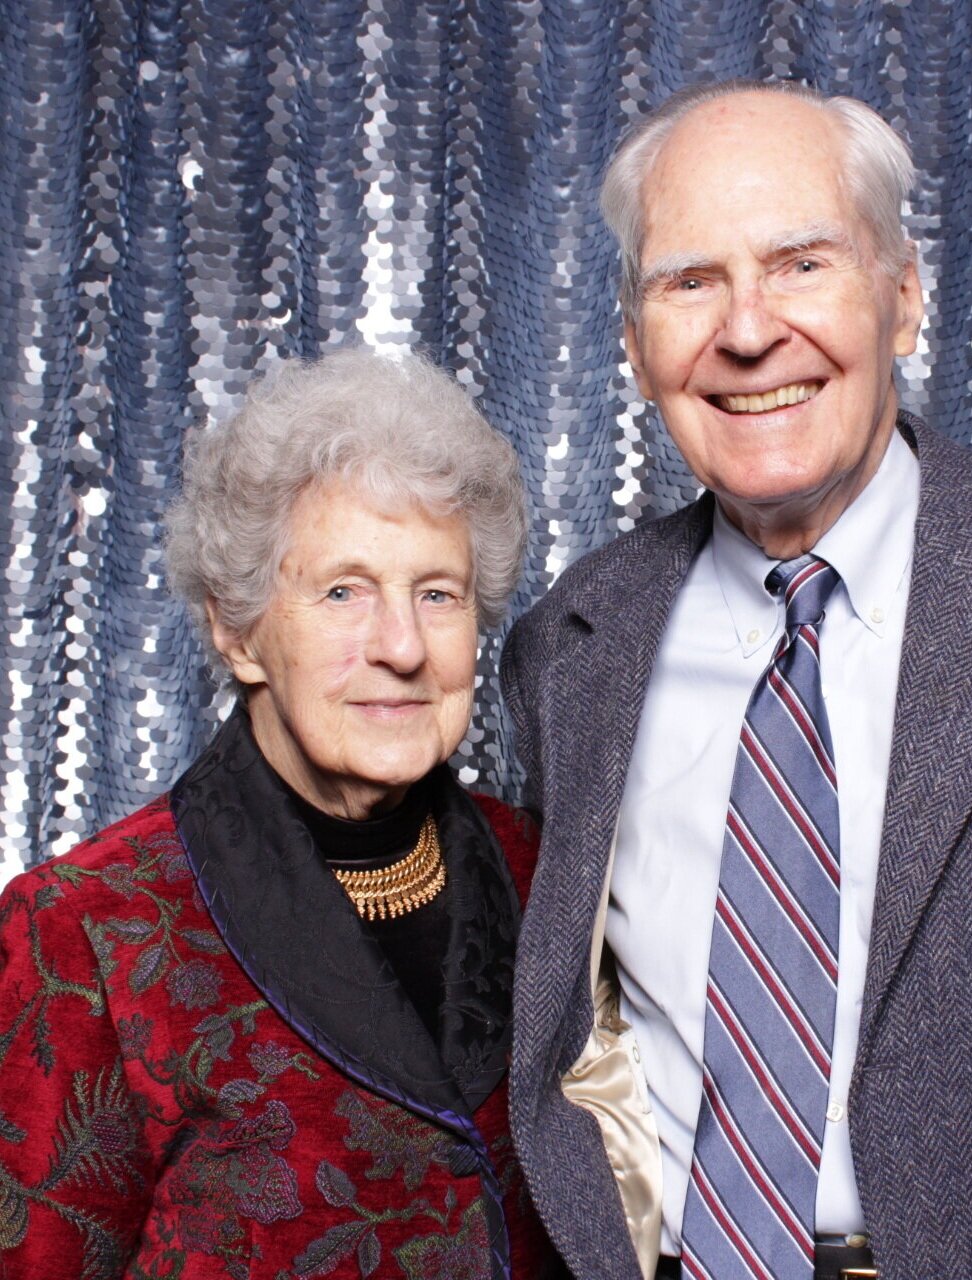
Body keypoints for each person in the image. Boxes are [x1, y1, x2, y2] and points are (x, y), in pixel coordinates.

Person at [501, 80, 972, 1280]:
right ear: (631, 340)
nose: (748, 329)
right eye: (688, 281)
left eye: (801, 262)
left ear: (903, 297)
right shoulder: (572, 644)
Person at [0, 349, 557, 1279]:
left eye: (438, 593)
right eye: (343, 591)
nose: (402, 646)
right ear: (236, 625)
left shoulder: (547, 872)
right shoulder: (82, 930)